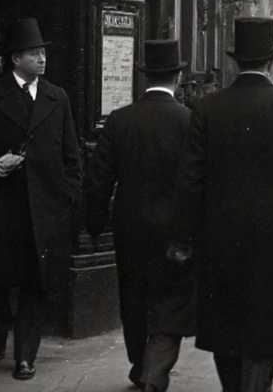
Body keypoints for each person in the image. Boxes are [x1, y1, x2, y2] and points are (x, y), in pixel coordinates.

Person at [170, 18, 273, 392]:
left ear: (236, 62)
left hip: (220, 235)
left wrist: (182, 237)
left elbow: (189, 179)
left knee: (225, 324)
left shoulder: (207, 108)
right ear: (271, 63)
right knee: (267, 327)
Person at [0, 18, 81, 380]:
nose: (42, 59)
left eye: (43, 52)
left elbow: (72, 157)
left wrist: (67, 198)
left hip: (43, 208)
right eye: (34, 53)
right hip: (2, 206)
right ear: (15, 59)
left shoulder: (56, 97)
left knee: (35, 282)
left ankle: (25, 356)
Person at [83, 40, 196, 392]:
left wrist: (95, 223)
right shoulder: (189, 121)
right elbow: (197, 180)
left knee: (133, 296)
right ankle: (154, 369)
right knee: (172, 298)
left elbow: (98, 179)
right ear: (177, 77)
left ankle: (140, 363)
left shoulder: (120, 120)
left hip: (130, 226)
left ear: (144, 78)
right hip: (175, 229)